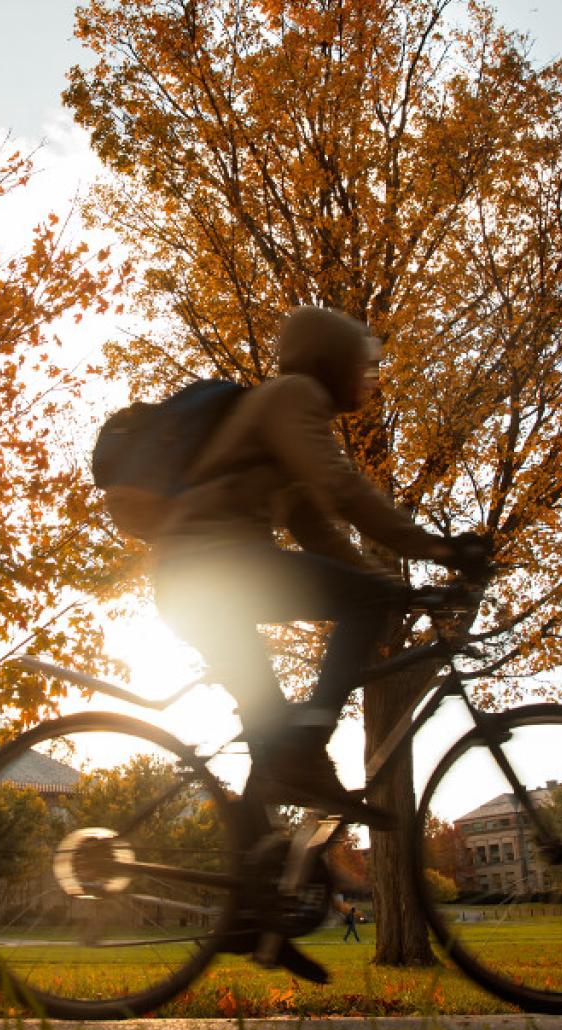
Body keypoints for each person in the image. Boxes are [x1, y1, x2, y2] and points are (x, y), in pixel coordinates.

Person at [153, 306, 468, 828]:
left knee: (273, 742)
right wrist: (436, 549)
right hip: (216, 570)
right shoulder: (295, 397)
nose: (367, 380)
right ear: (334, 360)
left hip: (194, 584)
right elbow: (343, 491)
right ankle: (312, 738)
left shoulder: (276, 412)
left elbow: (317, 532)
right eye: (361, 366)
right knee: (299, 730)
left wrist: (394, 588)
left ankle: (258, 875)